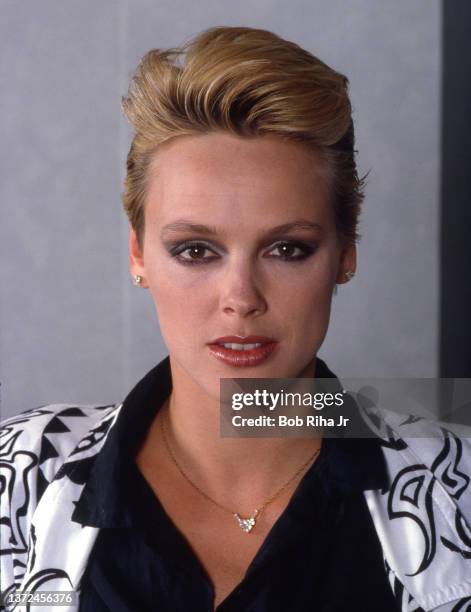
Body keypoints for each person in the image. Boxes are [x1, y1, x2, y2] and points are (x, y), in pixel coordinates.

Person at [1, 26, 471, 612]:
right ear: (138, 256)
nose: (241, 298)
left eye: (288, 249)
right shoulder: (21, 472)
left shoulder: (458, 486)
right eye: (196, 251)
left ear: (345, 254)